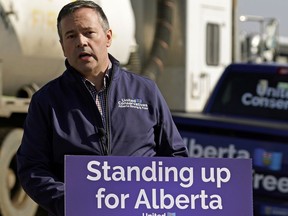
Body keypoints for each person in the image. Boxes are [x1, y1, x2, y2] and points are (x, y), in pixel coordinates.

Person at [16, 1, 188, 215]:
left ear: (108, 37)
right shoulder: (46, 101)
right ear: (62, 46)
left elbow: (176, 156)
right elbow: (32, 169)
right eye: (71, 36)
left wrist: (155, 198)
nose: (81, 42)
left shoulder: (146, 91)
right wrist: (69, 202)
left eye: (89, 33)